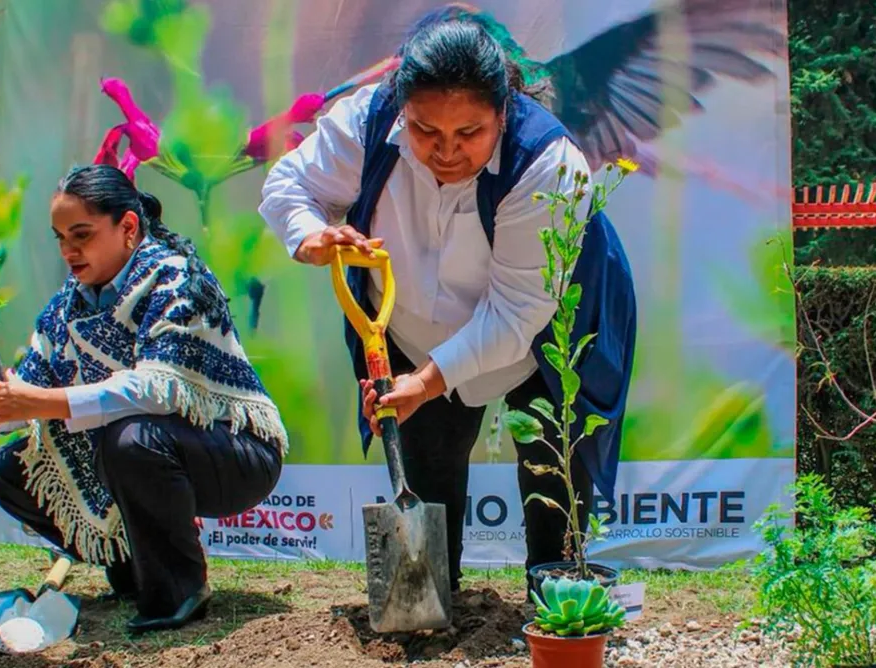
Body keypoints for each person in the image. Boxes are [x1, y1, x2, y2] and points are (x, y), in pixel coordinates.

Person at [258, 16, 636, 592]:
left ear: (503, 112)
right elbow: (289, 184)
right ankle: (433, 602)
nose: (446, 151)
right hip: (414, 329)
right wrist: (310, 235)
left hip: (544, 328)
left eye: (470, 133)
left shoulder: (548, 163)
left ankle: (556, 600)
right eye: (425, 130)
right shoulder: (366, 121)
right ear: (401, 107)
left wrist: (428, 381)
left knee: (553, 467)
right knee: (428, 465)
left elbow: (514, 314)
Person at [0, 164, 287, 633]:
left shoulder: (178, 281)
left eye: (81, 234)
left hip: (235, 454)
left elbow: (155, 390)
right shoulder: (66, 307)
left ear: (127, 227)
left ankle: (177, 589)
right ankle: (132, 565)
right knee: (6, 473)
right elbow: (33, 391)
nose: (68, 250)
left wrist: (38, 401)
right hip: (141, 450)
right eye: (60, 237)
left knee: (131, 439)